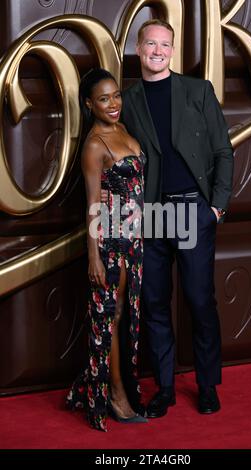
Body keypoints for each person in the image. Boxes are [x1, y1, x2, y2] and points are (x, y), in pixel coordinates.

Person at [119, 19, 234, 418]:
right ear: (138, 47)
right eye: (150, 43)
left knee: (200, 301)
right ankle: (165, 388)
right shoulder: (128, 100)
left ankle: (207, 385)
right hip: (151, 214)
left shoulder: (198, 91)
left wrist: (215, 208)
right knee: (154, 303)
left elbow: (223, 151)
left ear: (172, 50)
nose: (157, 50)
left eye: (164, 45)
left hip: (192, 209)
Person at [66, 68, 147, 431]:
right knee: (109, 319)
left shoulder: (125, 131)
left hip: (134, 242)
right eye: (104, 99)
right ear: (89, 104)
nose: (113, 103)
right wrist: (94, 255)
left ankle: (109, 386)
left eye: (116, 95)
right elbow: (92, 205)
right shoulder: (96, 145)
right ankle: (114, 395)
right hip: (111, 243)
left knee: (120, 318)